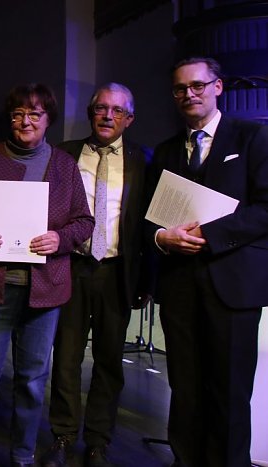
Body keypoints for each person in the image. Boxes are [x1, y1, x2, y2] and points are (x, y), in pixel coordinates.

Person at [0, 84, 93, 467]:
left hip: (44, 293)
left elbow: (84, 221)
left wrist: (59, 238)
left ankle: (22, 456)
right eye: (17, 114)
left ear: (48, 120)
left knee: (32, 380)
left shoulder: (64, 164)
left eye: (34, 114)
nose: (25, 121)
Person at [144, 57, 268, 467]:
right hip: (180, 288)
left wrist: (209, 236)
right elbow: (147, 219)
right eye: (180, 89)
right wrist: (163, 237)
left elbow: (266, 209)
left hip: (232, 287)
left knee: (230, 394)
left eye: (198, 86)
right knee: (185, 390)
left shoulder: (253, 138)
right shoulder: (163, 151)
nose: (189, 95)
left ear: (218, 88)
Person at [41, 83, 149, 467]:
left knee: (109, 361)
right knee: (66, 358)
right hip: (71, 267)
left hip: (117, 272)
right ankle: (62, 435)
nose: (107, 116)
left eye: (117, 111)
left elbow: (148, 225)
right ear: (90, 113)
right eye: (101, 108)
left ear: (129, 119)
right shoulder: (64, 154)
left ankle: (98, 441)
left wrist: (146, 282)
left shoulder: (144, 160)